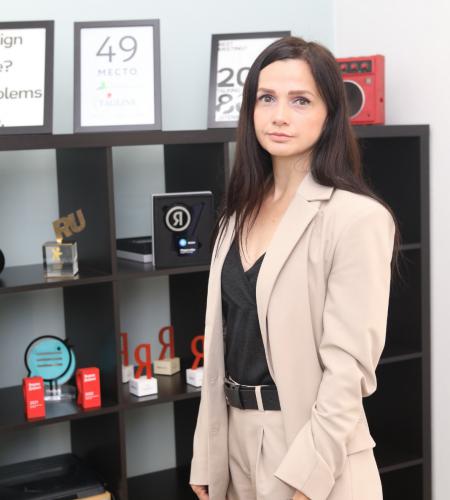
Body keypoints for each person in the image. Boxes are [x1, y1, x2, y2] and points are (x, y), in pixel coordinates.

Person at [190, 36, 400, 500]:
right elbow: (223, 343)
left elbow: (348, 371)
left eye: (300, 100)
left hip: (312, 448)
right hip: (235, 442)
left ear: (330, 115)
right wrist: (207, 453)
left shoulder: (357, 218)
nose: (279, 115)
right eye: (266, 98)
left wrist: (308, 479)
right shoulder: (236, 214)